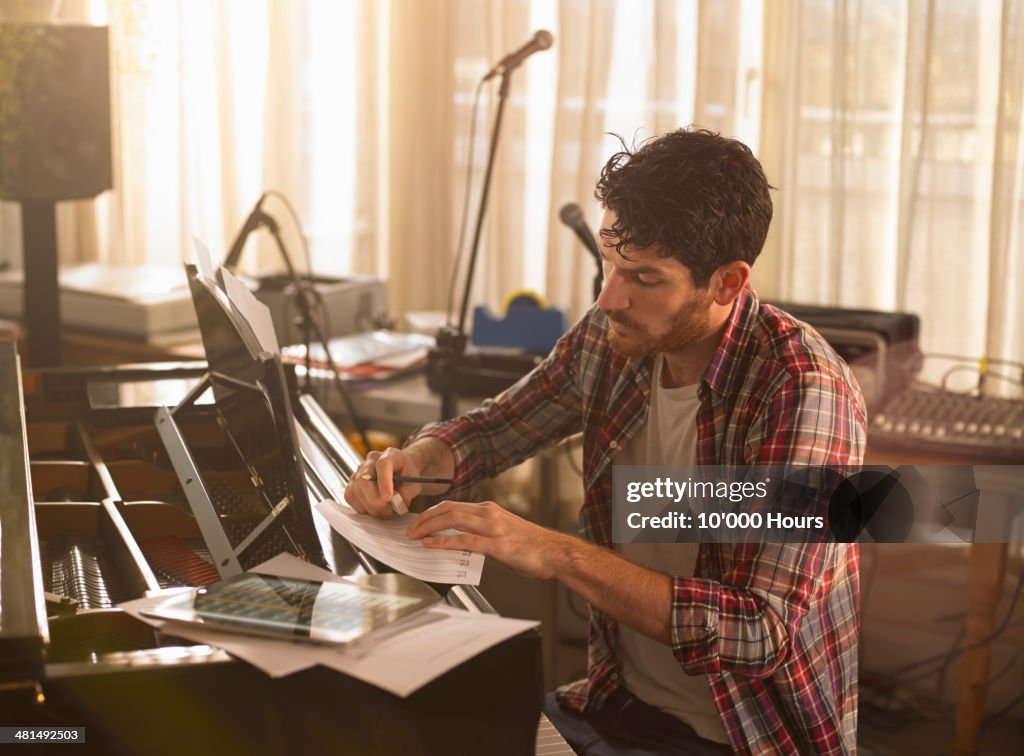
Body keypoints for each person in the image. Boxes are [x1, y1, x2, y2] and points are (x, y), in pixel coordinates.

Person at [344, 127, 866, 755]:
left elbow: (758, 630)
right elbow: (497, 427)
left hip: (743, 737)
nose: (608, 297)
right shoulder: (617, 333)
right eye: (609, 264)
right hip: (615, 701)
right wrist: (419, 459)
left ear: (728, 283)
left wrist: (556, 553)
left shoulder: (801, 391)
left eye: (644, 277)